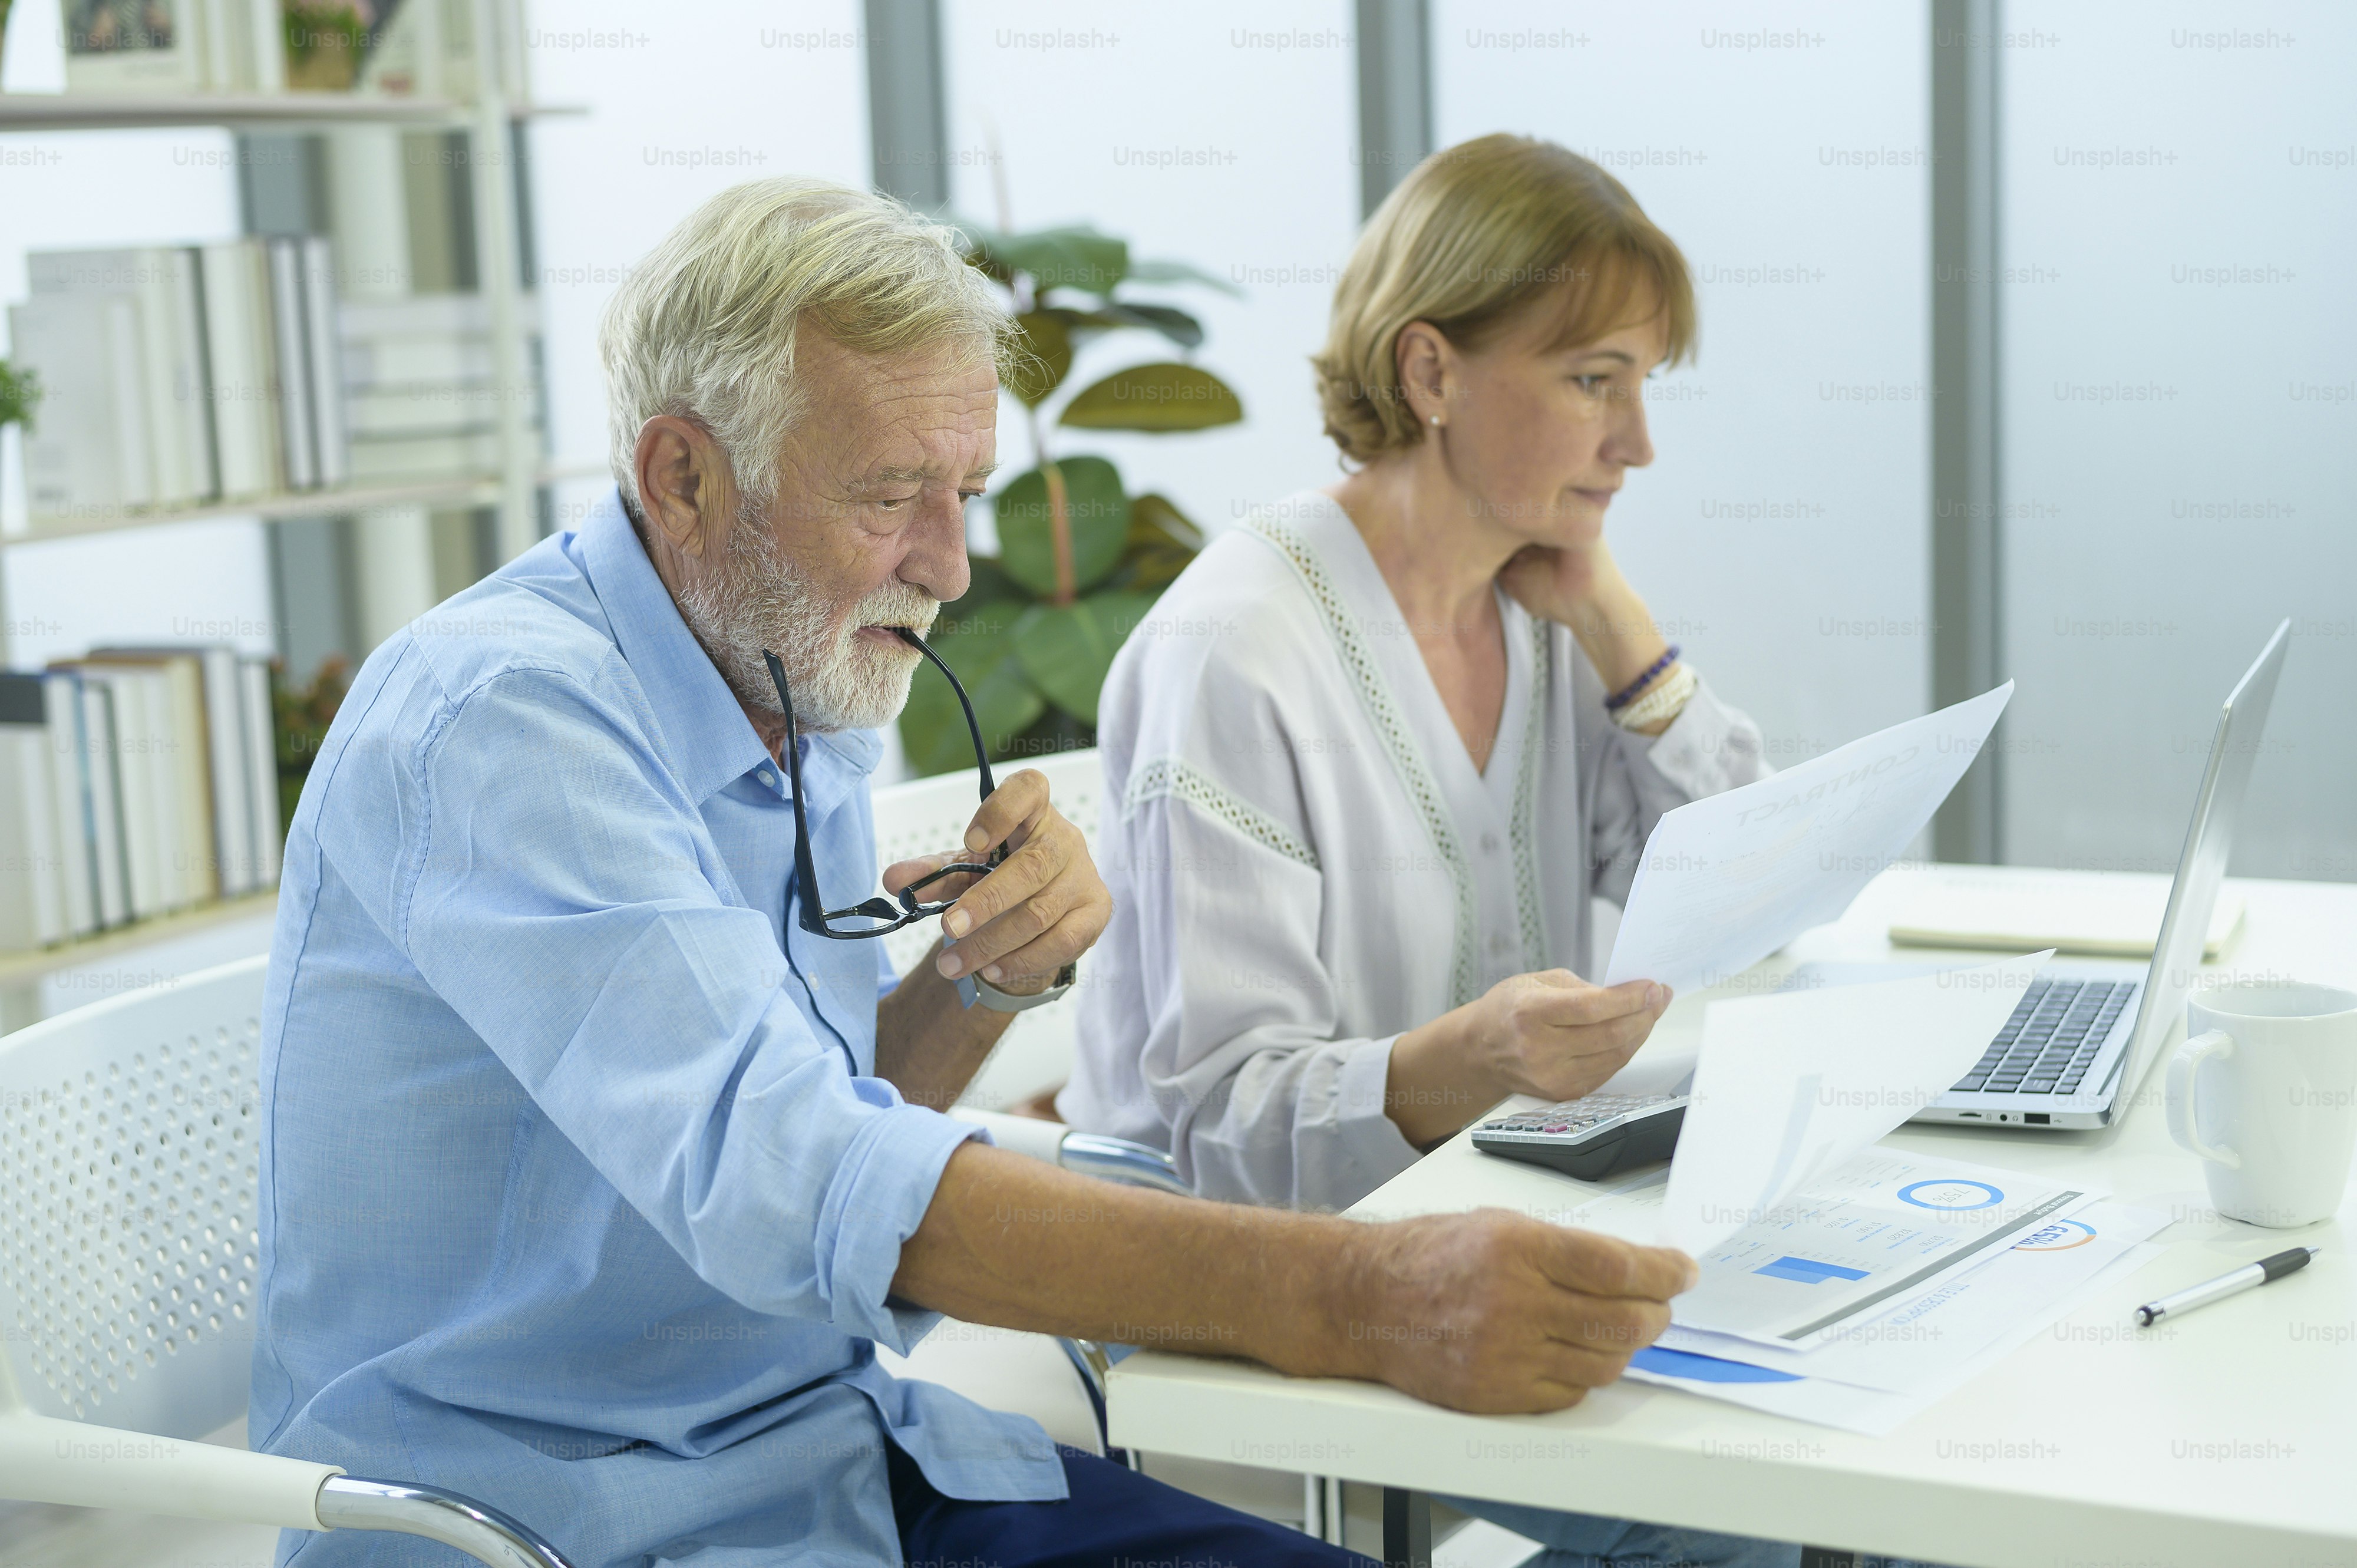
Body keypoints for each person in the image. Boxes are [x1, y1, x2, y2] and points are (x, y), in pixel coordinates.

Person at [251, 176, 1698, 1568]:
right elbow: (795, 1177)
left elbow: (818, 1107)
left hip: (824, 1459)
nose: (947, 565)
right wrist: (1357, 1294)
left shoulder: (784, 667)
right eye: (890, 495)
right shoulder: (506, 720)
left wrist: (977, 982)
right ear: (682, 475)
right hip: (559, 1520)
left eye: (966, 491)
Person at [1058, 134, 1788, 1565]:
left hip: (1481, 1223)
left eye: (1645, 384)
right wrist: (1467, 1057)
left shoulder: (1541, 614)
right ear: (1431, 372)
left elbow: (1743, 909)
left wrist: (1623, 634)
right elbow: (1216, 1128)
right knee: (1747, 1518)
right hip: (1249, 1285)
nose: (1635, 443)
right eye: (1593, 380)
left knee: (1849, 1469)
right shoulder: (1231, 653)